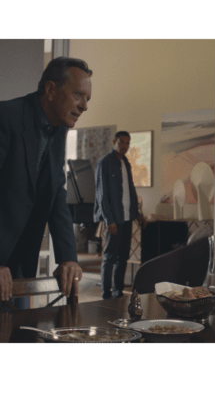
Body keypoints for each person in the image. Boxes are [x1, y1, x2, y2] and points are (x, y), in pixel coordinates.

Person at [0, 56, 92, 306]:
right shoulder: (6, 116)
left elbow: (56, 194)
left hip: (21, 264)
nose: (84, 106)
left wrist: (68, 257)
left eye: (87, 98)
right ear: (51, 90)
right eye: (78, 95)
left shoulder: (59, 131)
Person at [94, 131, 142, 299]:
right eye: (121, 142)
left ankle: (118, 292)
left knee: (123, 257)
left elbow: (131, 189)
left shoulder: (126, 163)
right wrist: (109, 219)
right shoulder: (104, 163)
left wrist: (137, 213)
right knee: (109, 257)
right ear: (114, 141)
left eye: (127, 143)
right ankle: (106, 295)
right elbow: (101, 194)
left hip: (128, 217)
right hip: (114, 219)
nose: (124, 146)